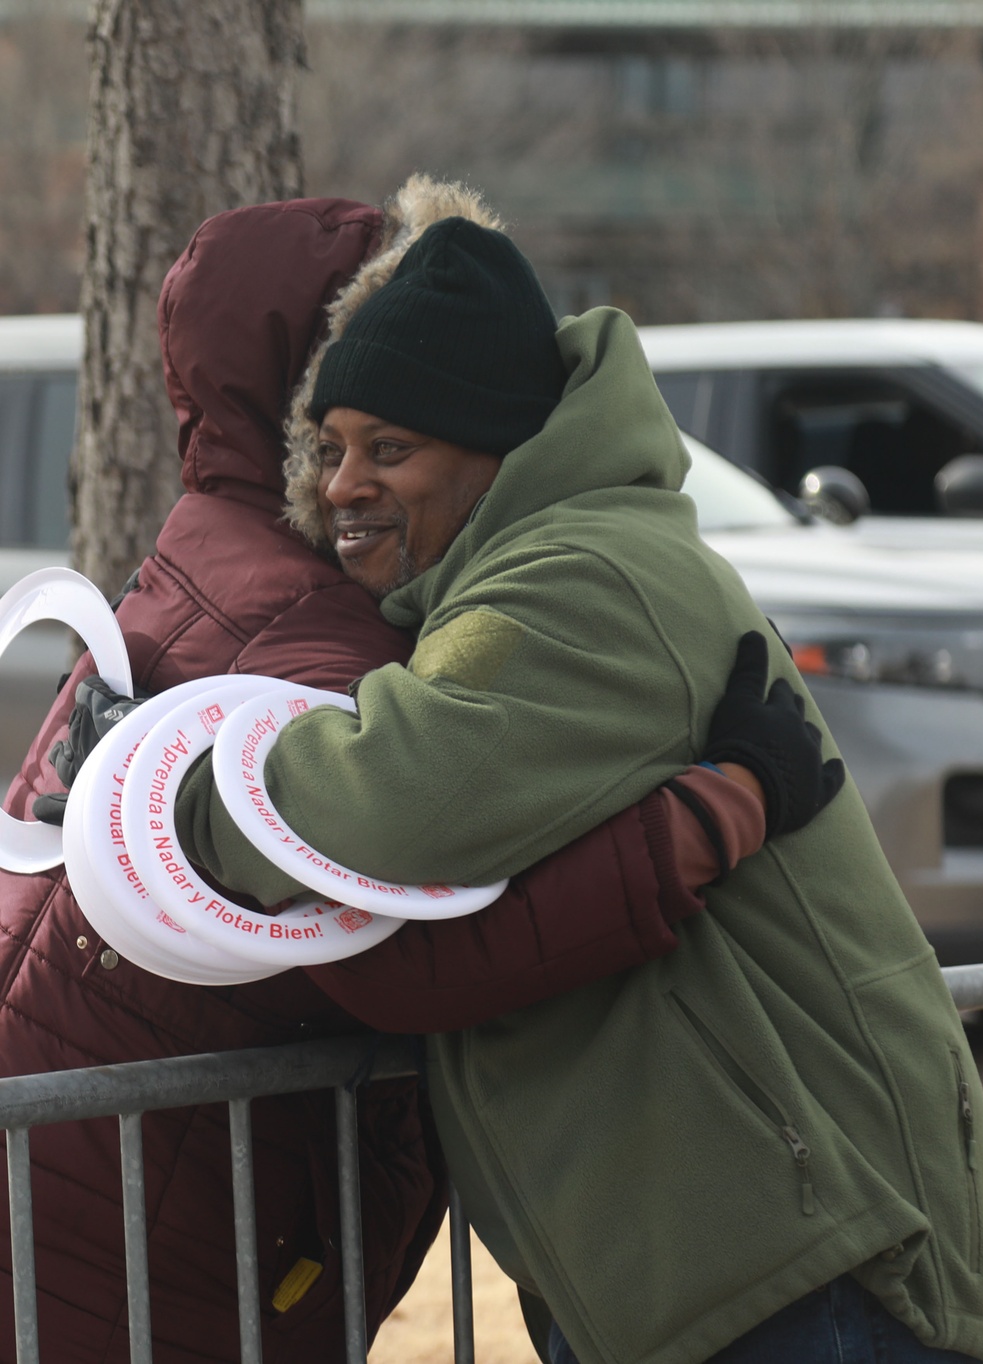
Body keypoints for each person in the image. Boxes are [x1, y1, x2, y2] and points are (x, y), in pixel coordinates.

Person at [2, 179, 819, 1364]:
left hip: (77, 1200)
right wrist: (711, 813)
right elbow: (405, 959)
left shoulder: (191, 566)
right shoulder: (316, 631)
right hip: (145, 1247)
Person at [168, 213, 983, 1364]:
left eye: (390, 449)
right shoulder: (516, 574)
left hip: (800, 1264)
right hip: (729, 1258)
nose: (343, 483)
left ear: (499, 448)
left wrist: (181, 794)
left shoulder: (580, 577)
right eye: (329, 446)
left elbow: (382, 804)